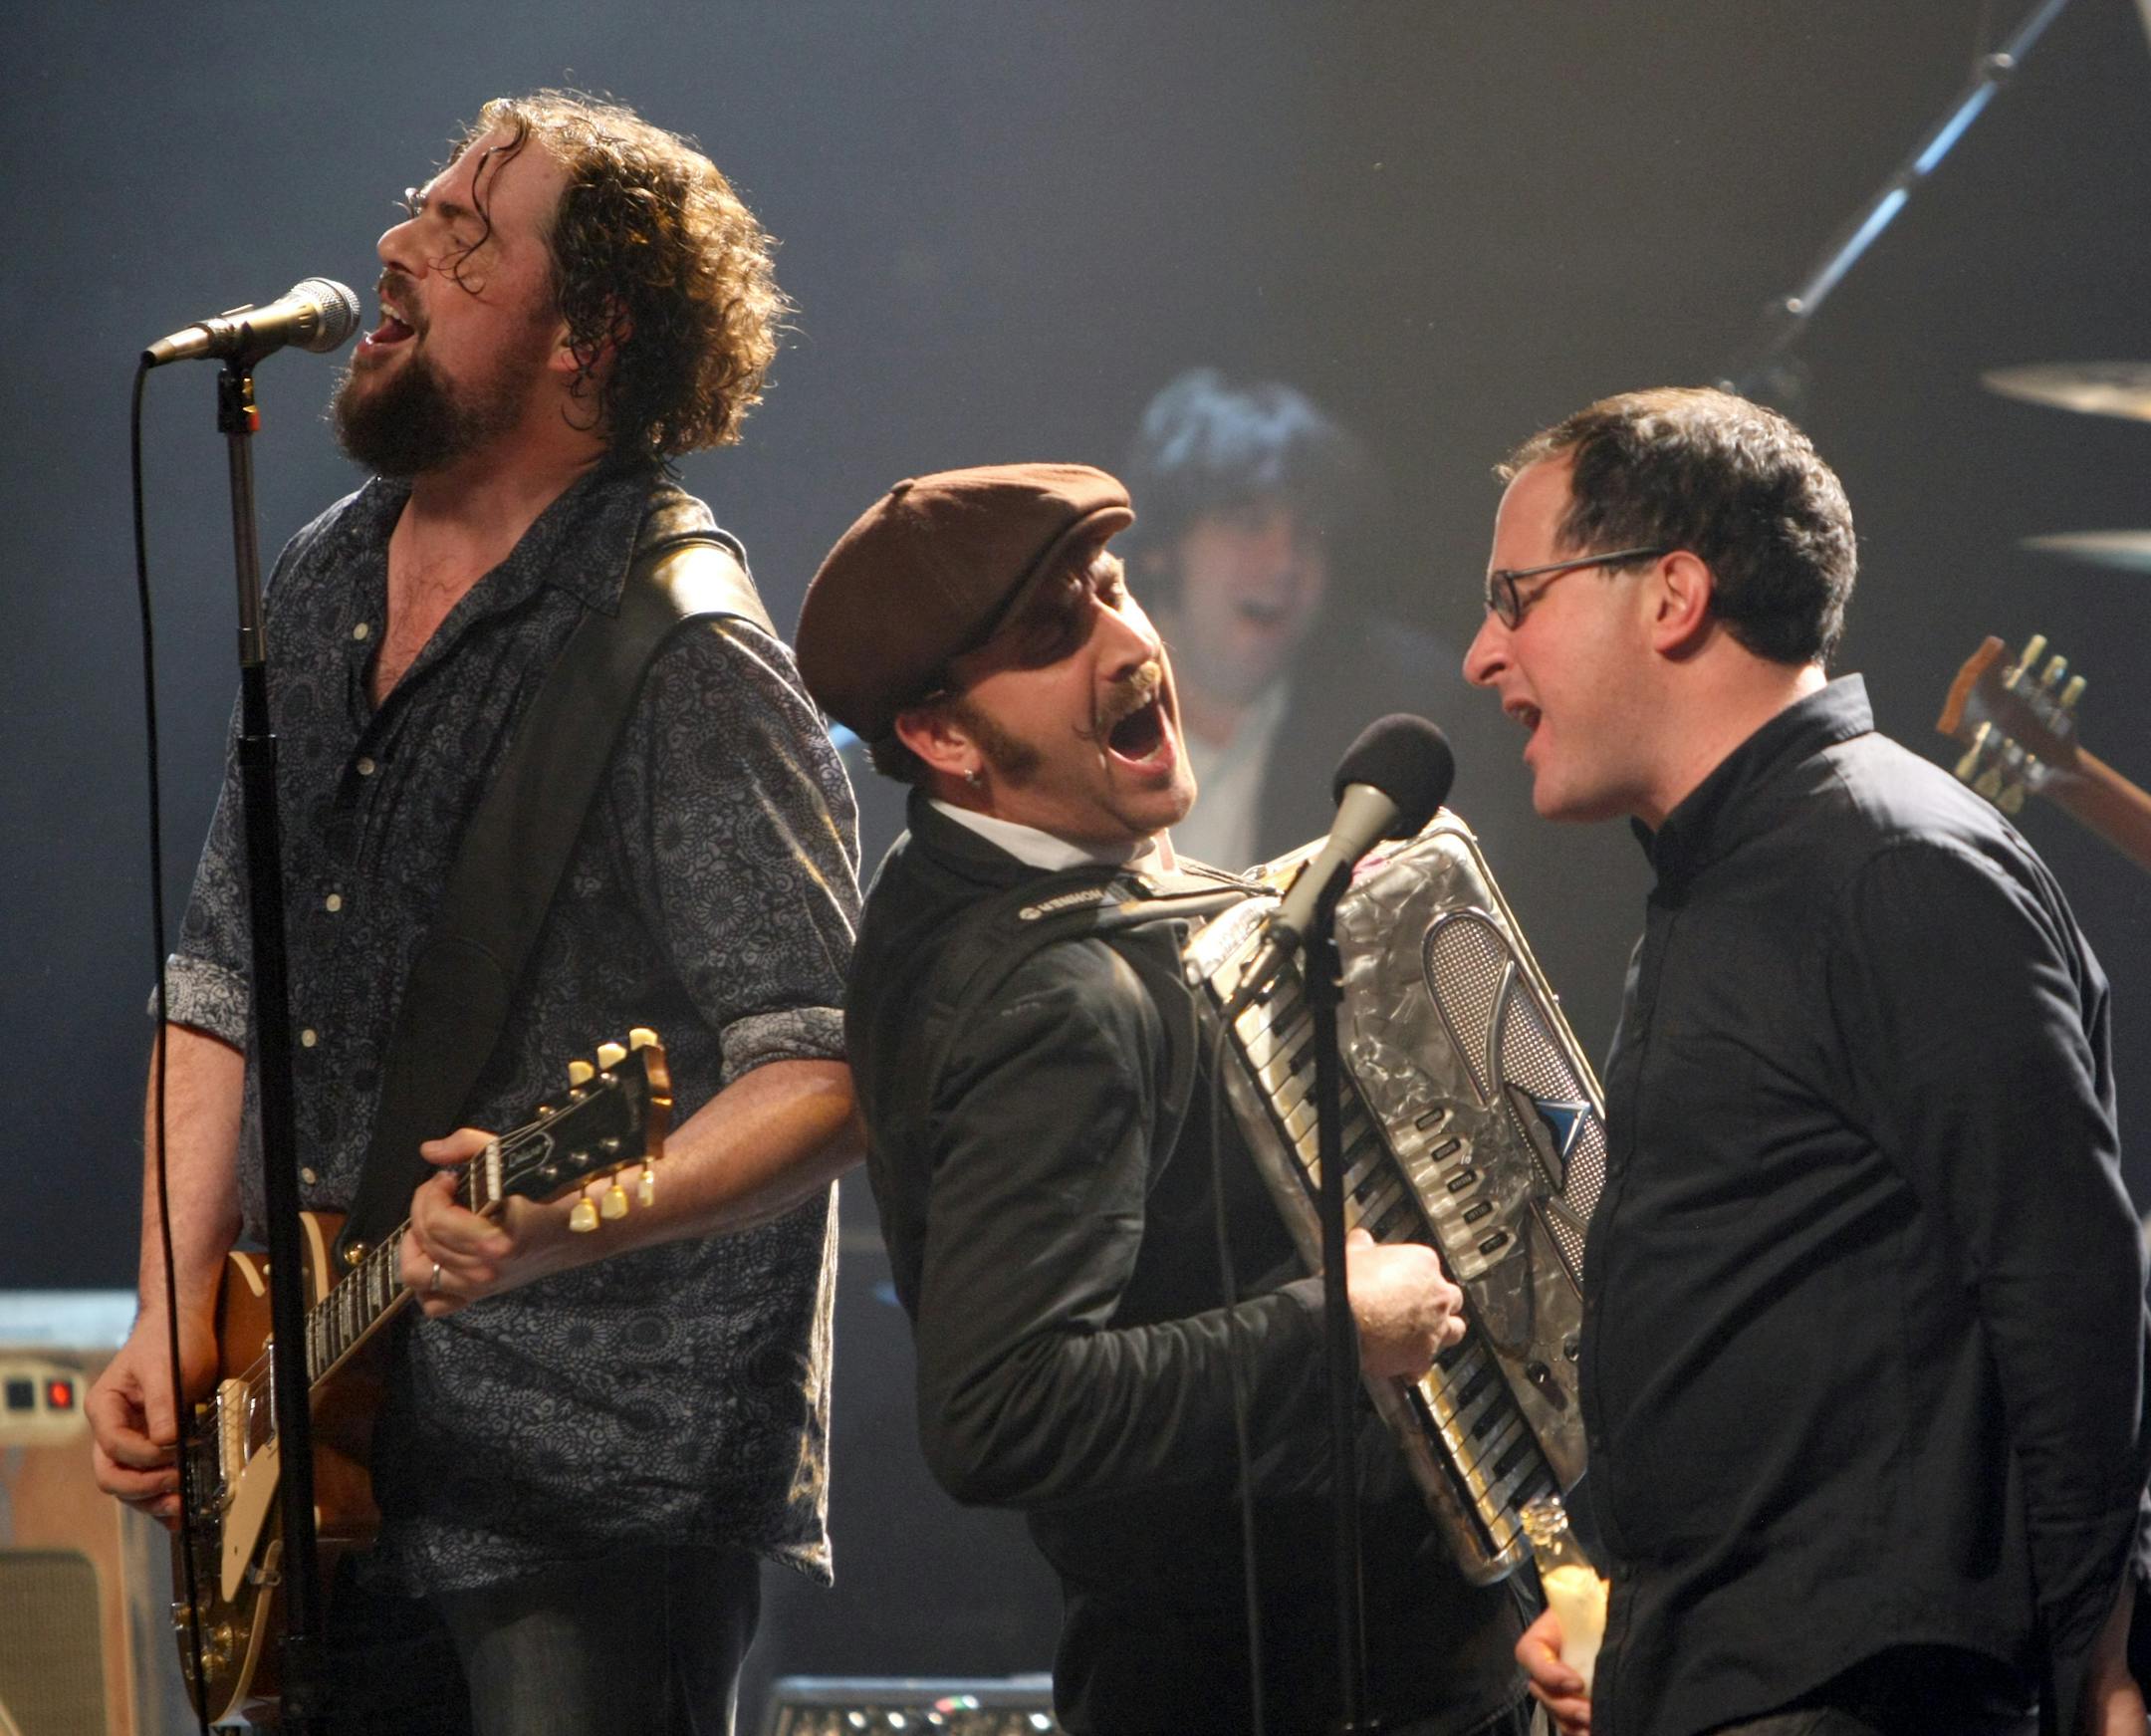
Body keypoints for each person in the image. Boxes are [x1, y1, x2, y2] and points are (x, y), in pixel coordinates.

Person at [87, 92, 860, 1735]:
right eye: (416, 209)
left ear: (590, 336)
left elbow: (824, 1062)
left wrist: (578, 1216)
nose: (397, 246)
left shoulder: (686, 654)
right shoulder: (322, 578)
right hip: (330, 1451)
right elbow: (223, 970)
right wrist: (173, 1308)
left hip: (597, 1495)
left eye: (462, 234)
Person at [795, 462, 1532, 1735]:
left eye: (1113, 589)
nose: (1131, 642)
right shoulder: (1055, 996)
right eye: (1053, 633)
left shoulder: (940, 887)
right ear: (944, 738)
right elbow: (999, 1412)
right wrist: (1336, 1328)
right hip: (1292, 1686)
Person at [1461, 386, 2149, 1736]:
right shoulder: (1733, 874)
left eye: (1515, 594)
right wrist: (1644, 1623)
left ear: (1671, 595)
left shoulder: (1890, 867)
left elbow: (2066, 1281)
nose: (1486, 653)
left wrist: (2099, 1673)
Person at [1123, 367, 1514, 870]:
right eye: (1248, 523)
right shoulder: (1073, 708)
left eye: (1309, 534)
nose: (1284, 562)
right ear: (1161, 544)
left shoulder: (1400, 709)